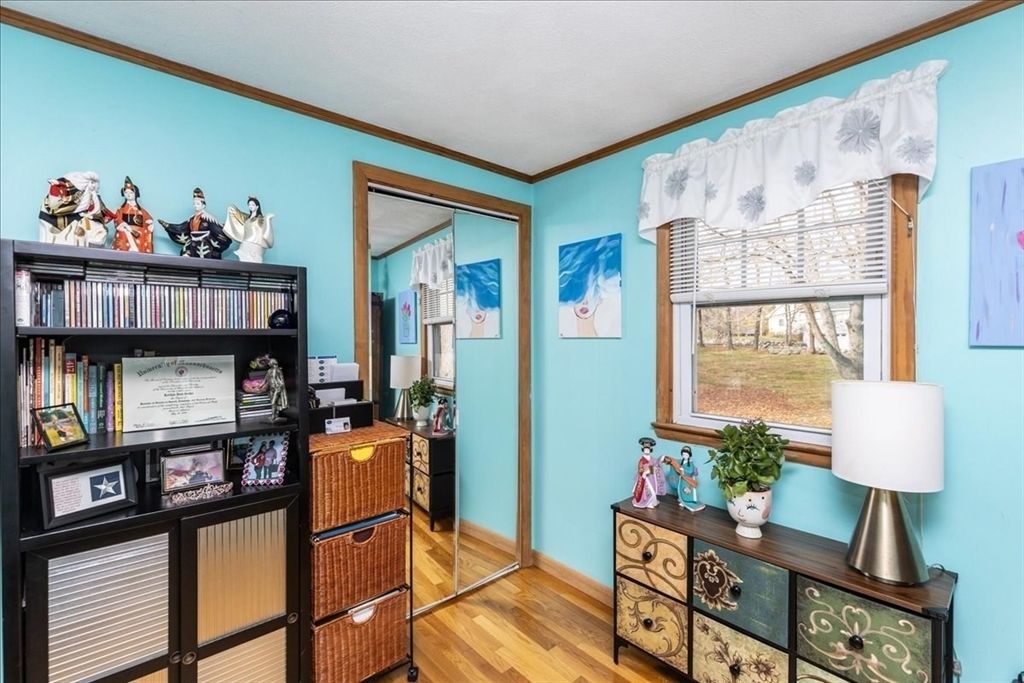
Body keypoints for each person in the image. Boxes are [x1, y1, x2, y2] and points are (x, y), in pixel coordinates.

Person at [158, 187, 231, 258]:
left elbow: (217, 230)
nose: (196, 206)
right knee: (185, 255)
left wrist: (227, 231)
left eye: (198, 204)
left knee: (205, 258)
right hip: (192, 243)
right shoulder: (192, 218)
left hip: (204, 243)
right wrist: (168, 226)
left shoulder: (209, 219)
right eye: (194, 204)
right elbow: (182, 228)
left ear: (203, 205)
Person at [223, 196, 275, 263]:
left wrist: (268, 219)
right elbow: (233, 209)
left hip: (256, 245)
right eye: (249, 204)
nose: (251, 206)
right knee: (244, 263)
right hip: (245, 244)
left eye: (253, 205)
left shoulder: (261, 219)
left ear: (257, 206)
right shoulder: (247, 218)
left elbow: (266, 231)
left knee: (254, 264)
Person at [110, 176, 154, 252]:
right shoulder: (121, 210)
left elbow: (148, 219)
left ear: (135, 194)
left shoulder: (141, 211)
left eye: (131, 192)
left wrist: (149, 222)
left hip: (138, 231)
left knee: (143, 233)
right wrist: (123, 224)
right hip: (125, 229)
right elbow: (117, 218)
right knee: (123, 233)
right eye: (126, 192)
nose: (128, 194)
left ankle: (139, 250)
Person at [631, 437, 667, 509]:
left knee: (653, 490)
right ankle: (646, 502)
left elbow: (656, 464)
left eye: (648, 449)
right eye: (645, 449)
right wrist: (644, 472)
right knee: (648, 491)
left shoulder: (652, 459)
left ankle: (651, 502)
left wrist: (661, 459)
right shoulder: (641, 460)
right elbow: (640, 470)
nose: (647, 450)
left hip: (652, 478)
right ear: (643, 450)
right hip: (645, 479)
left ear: (650, 450)